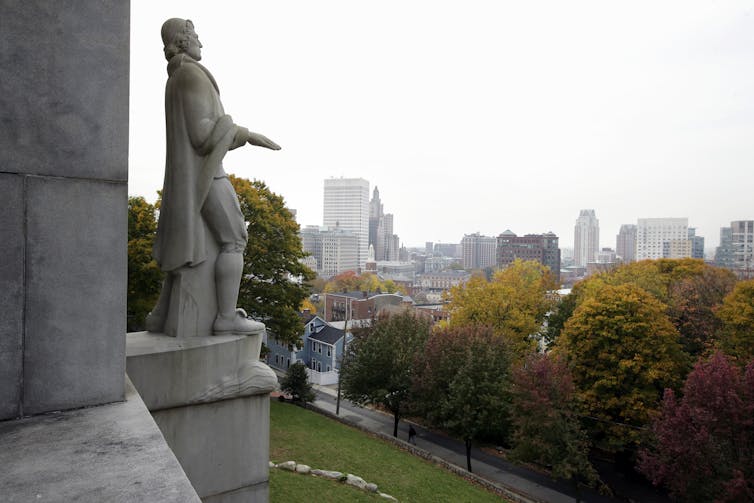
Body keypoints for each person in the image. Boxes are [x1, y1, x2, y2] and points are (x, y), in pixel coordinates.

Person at [147, 18, 280, 335]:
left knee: (184, 253)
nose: (200, 43)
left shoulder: (177, 77)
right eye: (195, 36)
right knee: (235, 240)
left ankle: (160, 316)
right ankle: (225, 318)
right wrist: (244, 133)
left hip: (189, 179)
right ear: (182, 41)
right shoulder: (190, 74)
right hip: (206, 177)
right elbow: (203, 135)